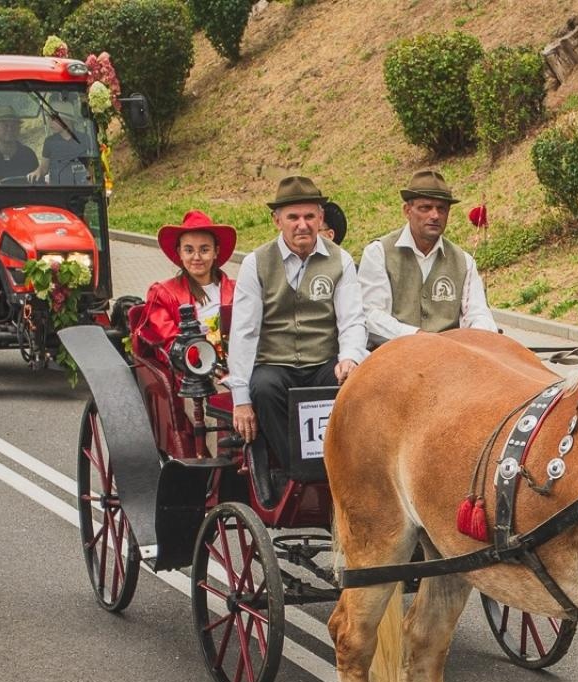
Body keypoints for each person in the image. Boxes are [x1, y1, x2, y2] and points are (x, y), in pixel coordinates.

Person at [226, 174, 367, 505]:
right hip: (275, 363)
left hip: (323, 362)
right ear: (277, 220)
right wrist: (240, 398)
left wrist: (350, 357)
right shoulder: (255, 263)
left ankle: (344, 468)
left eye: (309, 216)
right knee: (263, 388)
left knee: (354, 388)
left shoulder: (340, 260)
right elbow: (244, 332)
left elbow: (352, 320)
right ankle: (298, 473)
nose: (302, 225)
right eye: (293, 217)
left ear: (320, 218)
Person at [357, 168, 498, 346]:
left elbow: (478, 313)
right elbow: (371, 314)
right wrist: (416, 335)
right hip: (393, 355)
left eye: (441, 209)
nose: (435, 215)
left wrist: (477, 337)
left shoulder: (464, 261)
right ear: (407, 210)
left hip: (449, 356)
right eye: (425, 208)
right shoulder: (379, 253)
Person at [135, 209, 238, 371]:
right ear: (179, 253)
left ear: (216, 252)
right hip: (192, 373)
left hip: (239, 366)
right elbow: (170, 344)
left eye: (204, 250)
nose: (196, 257)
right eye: (189, 250)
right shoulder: (162, 294)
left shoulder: (236, 289)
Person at [30, 110, 91, 185]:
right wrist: (38, 171)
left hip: (81, 190)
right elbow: (44, 168)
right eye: (48, 119)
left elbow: (91, 166)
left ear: (66, 120)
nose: (49, 123)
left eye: (53, 119)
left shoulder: (84, 139)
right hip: (58, 191)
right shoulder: (49, 142)